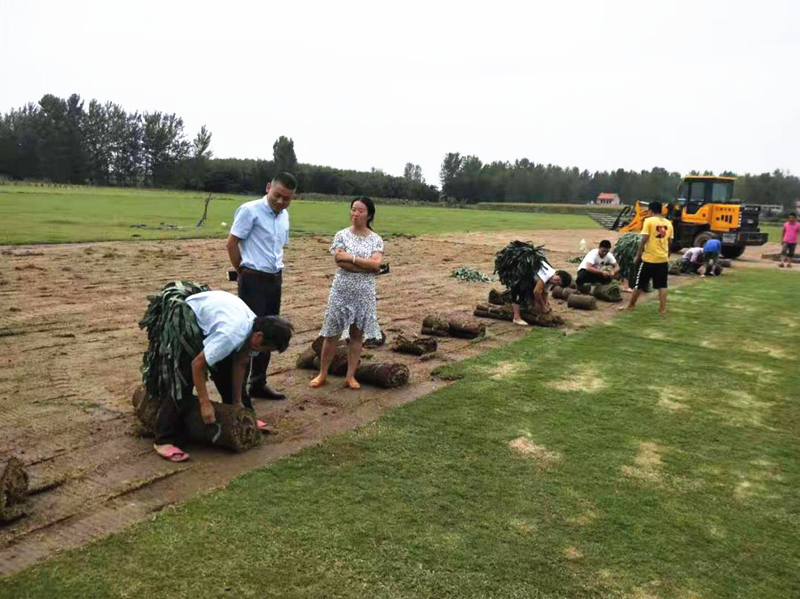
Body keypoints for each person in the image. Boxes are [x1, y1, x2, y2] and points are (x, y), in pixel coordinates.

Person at [140, 283, 294, 462]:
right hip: (188, 316)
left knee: (227, 370)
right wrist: (205, 403)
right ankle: (164, 439)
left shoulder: (253, 331)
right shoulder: (231, 335)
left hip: (218, 316)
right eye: (267, 348)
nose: (264, 352)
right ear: (258, 337)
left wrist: (237, 402)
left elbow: (241, 363)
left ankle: (240, 416)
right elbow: (197, 364)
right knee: (183, 379)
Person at [226, 172, 297, 400]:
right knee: (250, 334)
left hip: (274, 280)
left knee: (270, 333)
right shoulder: (250, 210)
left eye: (286, 198)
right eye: (277, 195)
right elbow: (232, 243)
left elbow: (278, 248)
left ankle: (258, 383)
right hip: (253, 280)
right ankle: (240, 391)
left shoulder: (284, 216)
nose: (280, 201)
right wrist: (242, 270)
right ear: (268, 187)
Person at [310, 197, 384, 390]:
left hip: (364, 293)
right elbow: (339, 262)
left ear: (369, 215)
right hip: (341, 291)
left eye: (360, 210)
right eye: (353, 209)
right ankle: (322, 374)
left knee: (357, 334)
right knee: (331, 333)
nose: (355, 213)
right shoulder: (341, 235)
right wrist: (366, 266)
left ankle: (350, 376)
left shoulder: (376, 239)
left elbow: (376, 264)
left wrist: (351, 258)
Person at [621, 201, 674, 315]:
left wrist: (638, 255)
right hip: (663, 259)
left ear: (650, 210)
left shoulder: (649, 221)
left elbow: (644, 239)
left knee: (639, 284)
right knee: (662, 285)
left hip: (649, 259)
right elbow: (670, 241)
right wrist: (668, 253)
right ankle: (662, 309)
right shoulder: (669, 223)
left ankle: (631, 306)